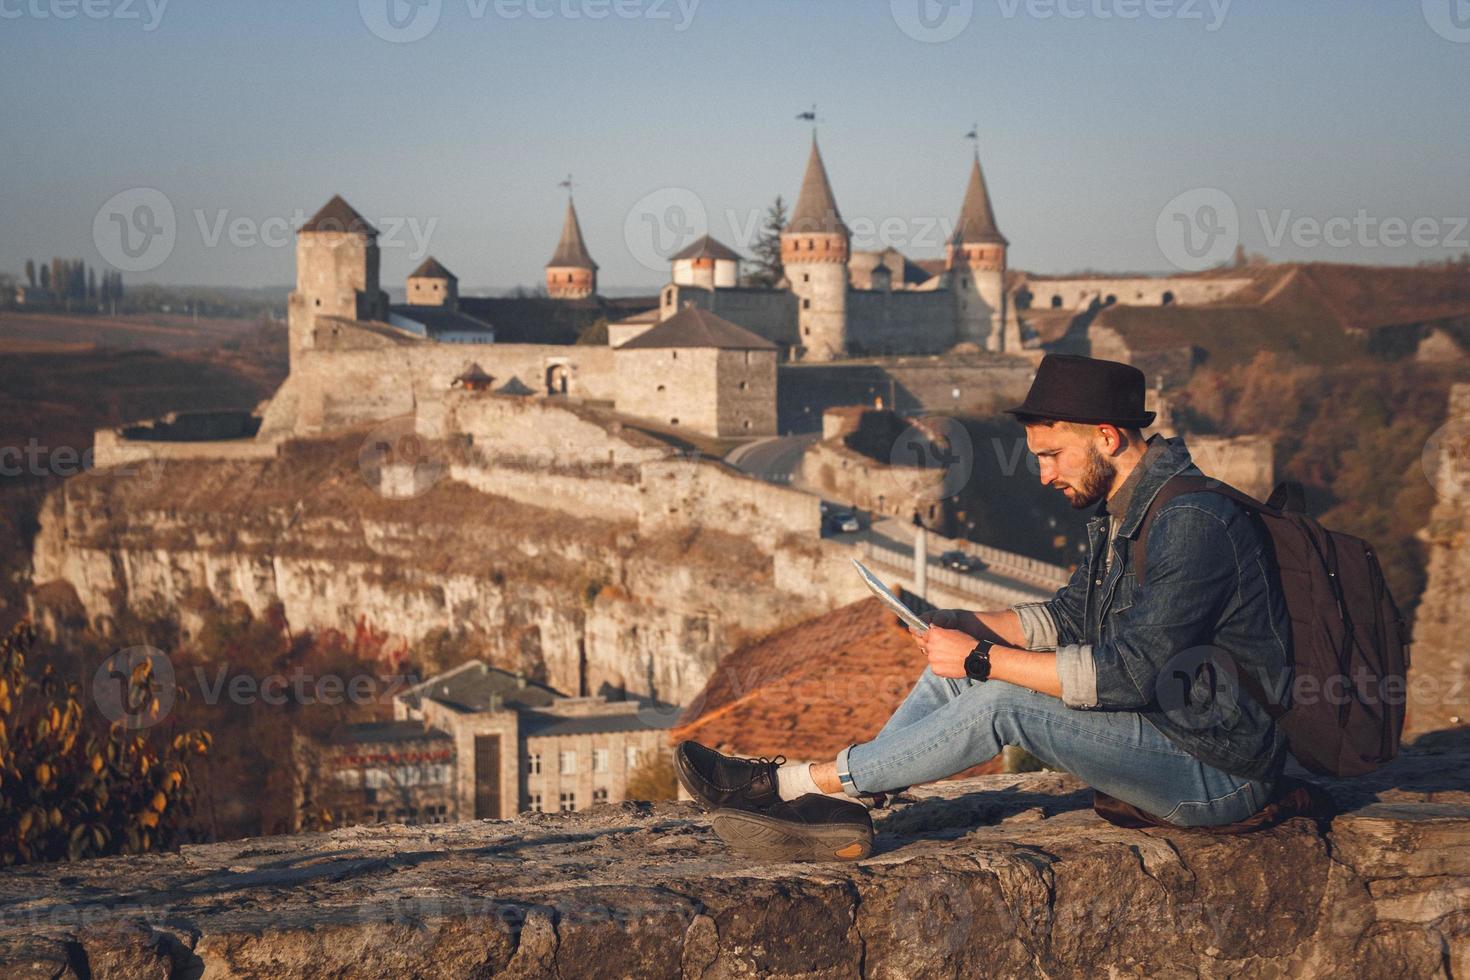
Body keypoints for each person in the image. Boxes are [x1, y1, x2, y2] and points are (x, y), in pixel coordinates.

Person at [676, 354, 1293, 861]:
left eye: (1052, 456)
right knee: (952, 673)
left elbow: (1130, 672)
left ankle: (789, 786)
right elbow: (1070, 618)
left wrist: (983, 658)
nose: (1044, 475)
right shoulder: (1125, 510)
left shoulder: (1191, 520)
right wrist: (968, 627)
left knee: (997, 695)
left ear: (1106, 437)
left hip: (1216, 771)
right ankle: (852, 808)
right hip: (1167, 734)